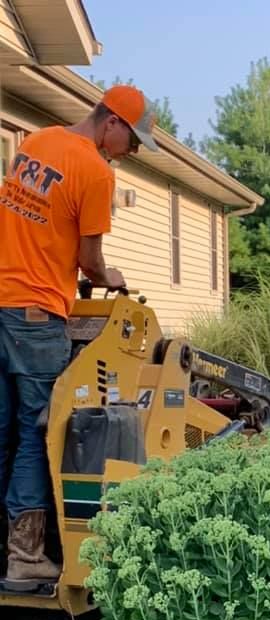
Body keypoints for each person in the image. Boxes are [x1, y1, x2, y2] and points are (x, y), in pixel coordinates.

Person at [0, 84, 159, 590]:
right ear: (111, 122)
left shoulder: (36, 142)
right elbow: (90, 260)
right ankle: (26, 557)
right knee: (39, 430)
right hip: (36, 312)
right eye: (132, 142)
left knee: (2, 427)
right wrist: (108, 275)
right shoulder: (94, 171)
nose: (130, 152)